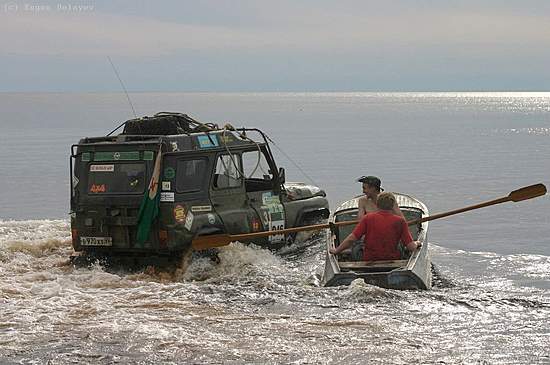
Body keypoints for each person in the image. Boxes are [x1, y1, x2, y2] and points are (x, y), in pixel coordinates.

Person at [330, 192, 420, 261]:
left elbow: (351, 239)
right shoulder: (400, 221)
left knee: (357, 245)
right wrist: (417, 243)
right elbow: (411, 247)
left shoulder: (367, 218)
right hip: (392, 259)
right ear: (393, 205)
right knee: (401, 245)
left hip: (369, 258)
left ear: (377, 204)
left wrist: (336, 251)